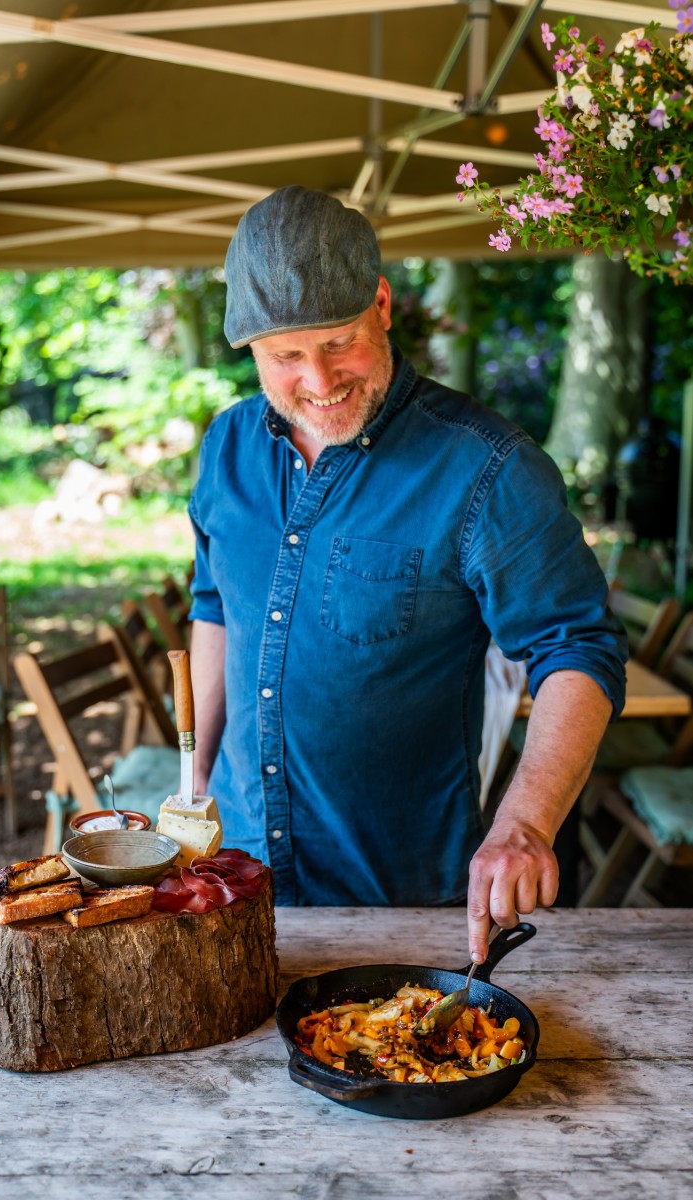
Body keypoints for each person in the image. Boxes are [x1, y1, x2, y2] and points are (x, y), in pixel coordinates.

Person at [187, 185, 627, 962]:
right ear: (251, 349)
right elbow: (217, 605)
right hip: (237, 874)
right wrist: (193, 780)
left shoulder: (487, 467)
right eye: (286, 355)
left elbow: (578, 647)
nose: (318, 380)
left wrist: (522, 826)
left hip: (398, 897)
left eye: (338, 341)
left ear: (382, 304)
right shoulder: (226, 448)